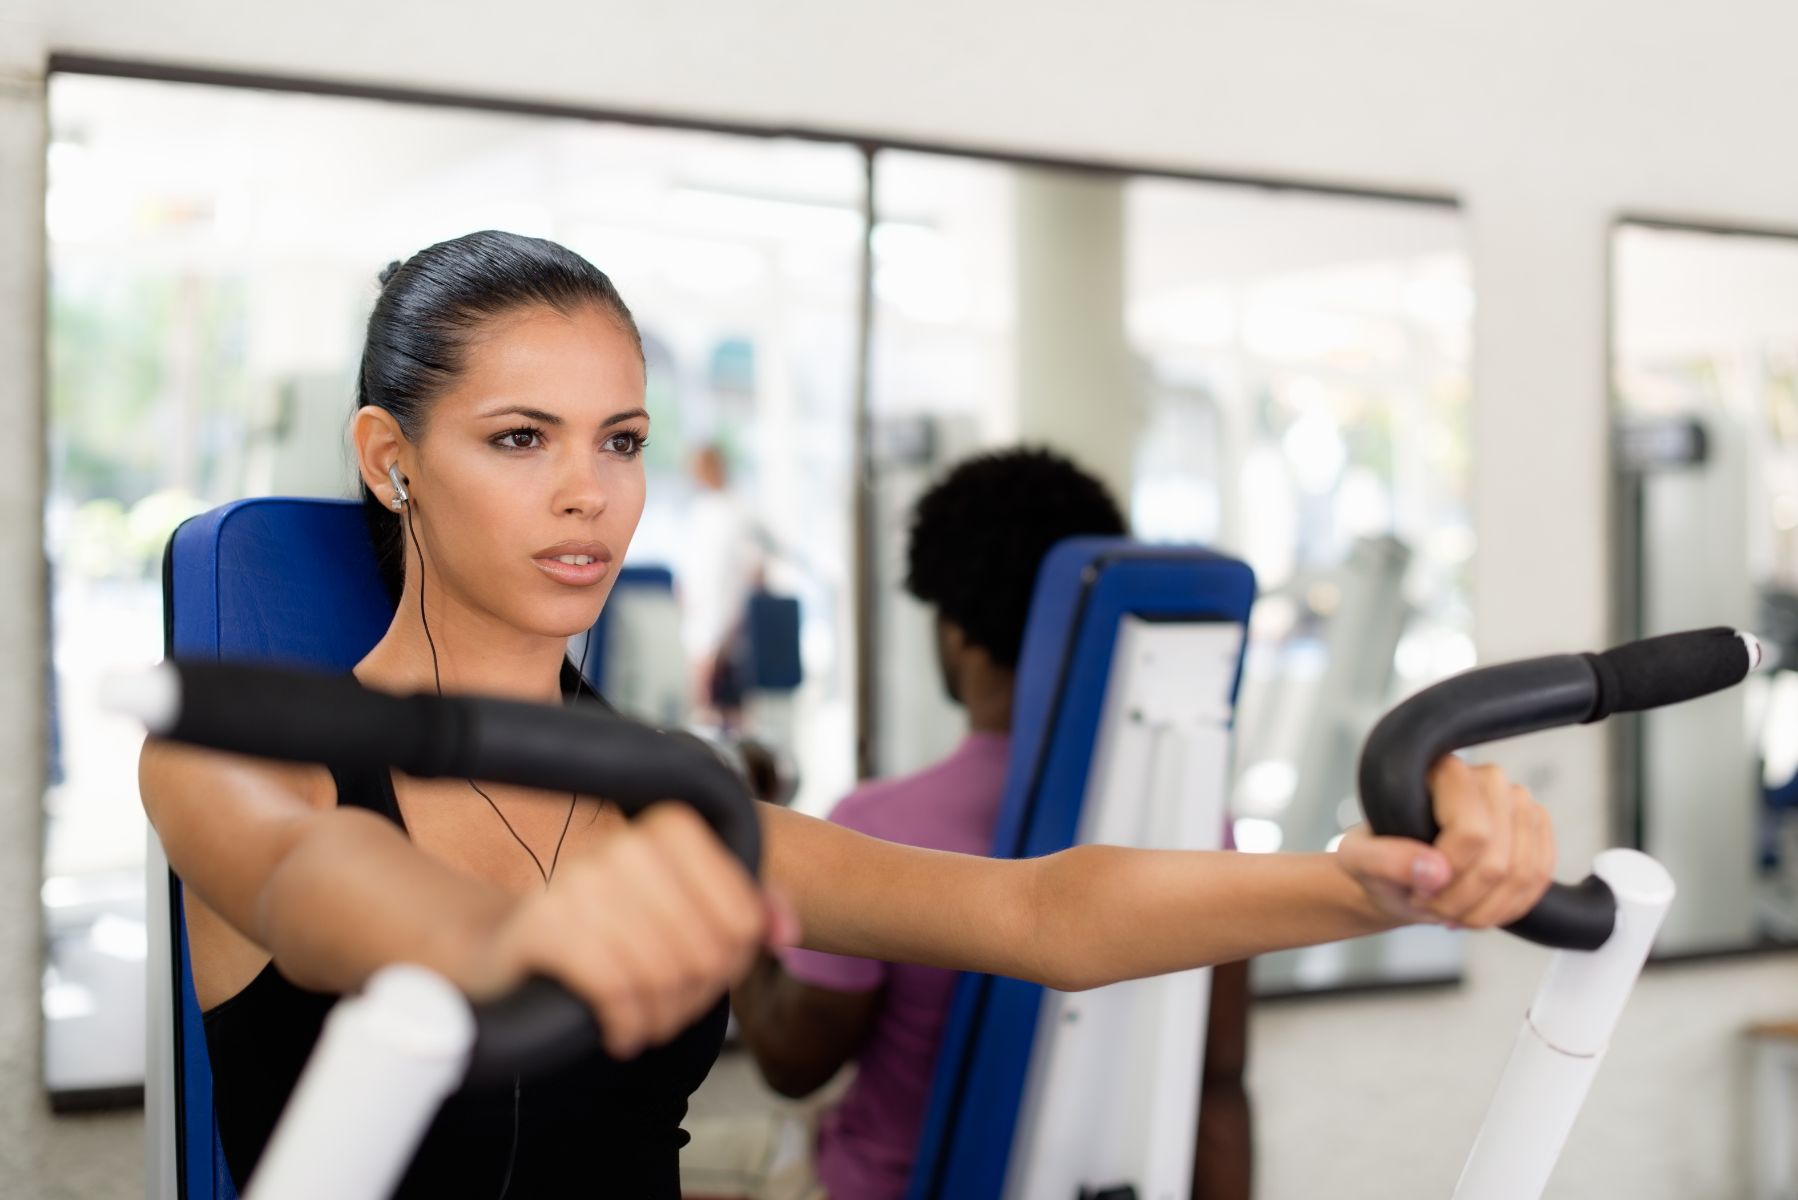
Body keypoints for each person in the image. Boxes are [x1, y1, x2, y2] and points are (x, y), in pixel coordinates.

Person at [140, 231, 1558, 1200]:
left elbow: (1040, 917)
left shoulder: (674, 802)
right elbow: (322, 891)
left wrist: (1374, 881)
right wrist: (511, 946)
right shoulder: (239, 755)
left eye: (620, 441)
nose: (592, 495)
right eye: (522, 439)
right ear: (391, 459)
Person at [730, 447, 1251, 1200]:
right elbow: (1219, 1083)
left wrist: (732, 847)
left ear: (955, 631)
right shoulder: (1197, 824)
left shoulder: (877, 825)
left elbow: (789, 1060)